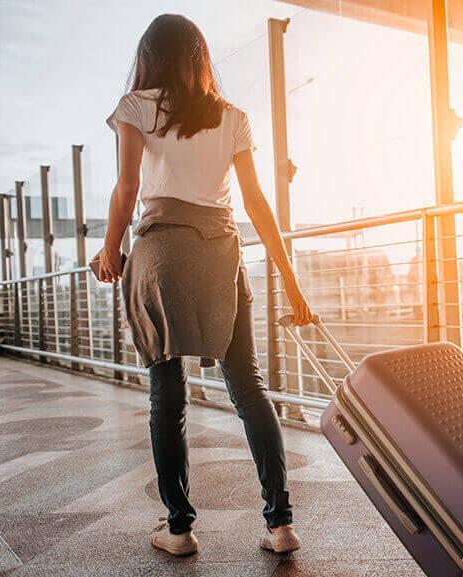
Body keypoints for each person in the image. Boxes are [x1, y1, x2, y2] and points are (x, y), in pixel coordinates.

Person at [96, 14, 313, 557]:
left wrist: (109, 248)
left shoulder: (135, 107)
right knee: (250, 390)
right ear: (201, 58)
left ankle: (179, 528)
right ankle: (280, 524)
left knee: (167, 400)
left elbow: (126, 187)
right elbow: (257, 204)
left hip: (162, 256)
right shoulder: (234, 118)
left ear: (150, 56)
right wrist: (290, 281)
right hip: (221, 256)